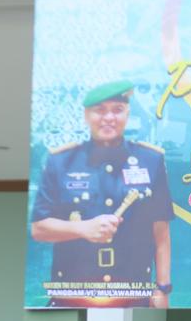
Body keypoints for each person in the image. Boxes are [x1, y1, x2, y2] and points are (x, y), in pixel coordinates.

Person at [30, 79, 174, 308]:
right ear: (87, 115)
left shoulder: (151, 161)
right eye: (100, 111)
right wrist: (82, 228)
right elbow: (38, 229)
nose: (109, 118)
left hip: (134, 297)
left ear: (127, 114)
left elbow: (162, 236)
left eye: (117, 110)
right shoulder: (61, 162)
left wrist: (163, 289)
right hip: (73, 296)